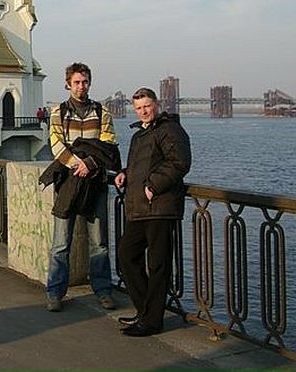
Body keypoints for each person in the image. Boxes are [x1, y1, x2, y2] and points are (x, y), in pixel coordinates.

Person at [41, 62, 119, 312]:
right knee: (61, 243)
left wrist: (90, 163)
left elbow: (108, 144)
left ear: (89, 83)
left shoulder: (101, 112)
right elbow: (56, 143)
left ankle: (103, 290)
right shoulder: (59, 113)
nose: (81, 86)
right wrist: (78, 165)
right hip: (68, 184)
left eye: (84, 81)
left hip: (95, 183)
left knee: (100, 242)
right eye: (76, 82)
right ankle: (55, 292)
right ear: (68, 84)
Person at [115, 88, 192, 337]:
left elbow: (180, 161)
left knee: (157, 265)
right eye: (138, 108)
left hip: (159, 206)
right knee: (127, 256)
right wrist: (125, 173)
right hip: (140, 208)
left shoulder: (170, 129)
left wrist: (153, 185)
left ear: (156, 104)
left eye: (147, 106)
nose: (143, 111)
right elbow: (144, 163)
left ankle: (152, 321)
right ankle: (146, 311)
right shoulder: (141, 134)